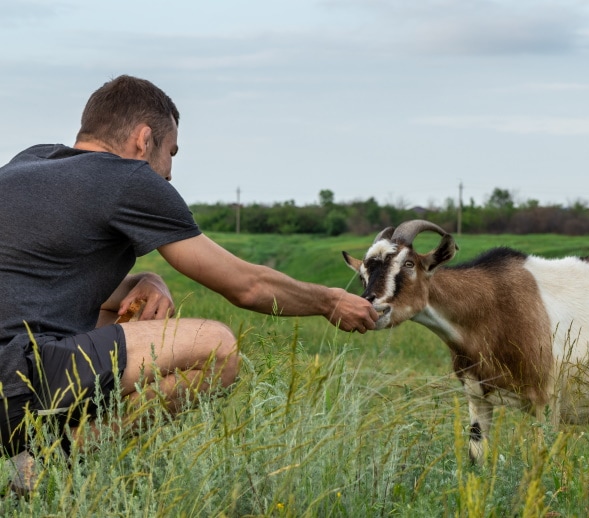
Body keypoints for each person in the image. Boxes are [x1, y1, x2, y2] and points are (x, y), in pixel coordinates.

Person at [0, 75, 379, 471]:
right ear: (143, 139)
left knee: (119, 313)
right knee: (216, 346)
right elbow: (246, 285)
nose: (168, 173)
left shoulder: (29, 161)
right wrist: (329, 301)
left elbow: (55, 281)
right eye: (172, 153)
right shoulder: (128, 178)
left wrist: (149, 280)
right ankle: (45, 460)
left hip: (14, 373)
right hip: (16, 378)